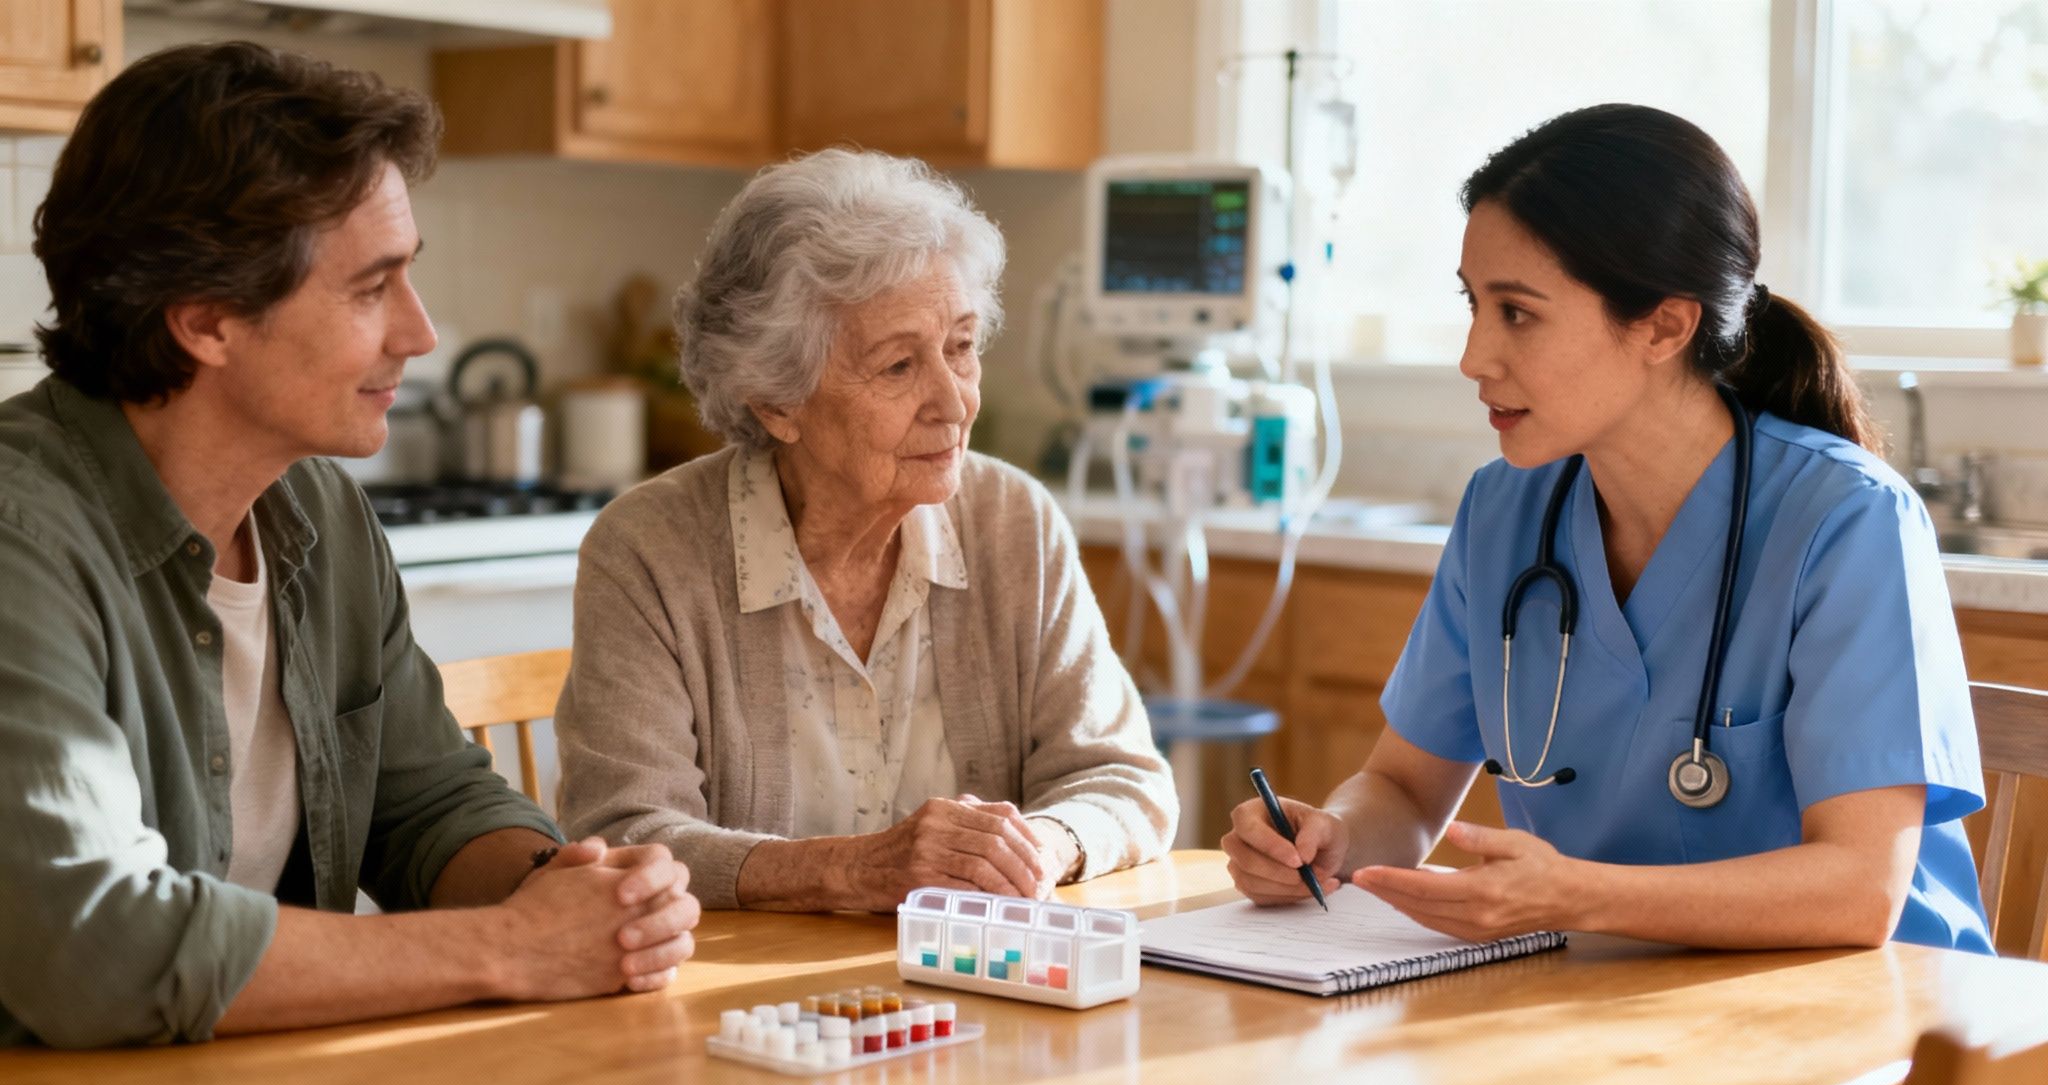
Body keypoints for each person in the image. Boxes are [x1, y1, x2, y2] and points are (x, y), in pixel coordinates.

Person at [0, 42, 699, 1049]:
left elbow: (422, 802)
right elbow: (96, 949)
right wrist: (509, 948)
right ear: (206, 321)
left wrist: (570, 892)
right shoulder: (23, 538)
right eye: (373, 288)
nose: (418, 333)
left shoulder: (316, 508)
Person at [1222, 104, 1992, 953]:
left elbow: (1860, 892)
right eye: (1473, 303)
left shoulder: (1846, 519)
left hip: (1871, 1020)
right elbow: (1403, 791)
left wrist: (1570, 896)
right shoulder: (1504, 512)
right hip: (1620, 996)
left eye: (1517, 312)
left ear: (1665, 324)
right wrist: (1328, 837)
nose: (1474, 355)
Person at [556, 149, 1177, 912]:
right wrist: (851, 869)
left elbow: (1125, 777)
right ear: (776, 403)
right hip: (752, 1010)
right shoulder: (649, 549)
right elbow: (624, 834)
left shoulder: (1013, 522)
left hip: (983, 987)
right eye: (897, 367)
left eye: (960, 346)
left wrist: (1037, 848)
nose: (954, 403)